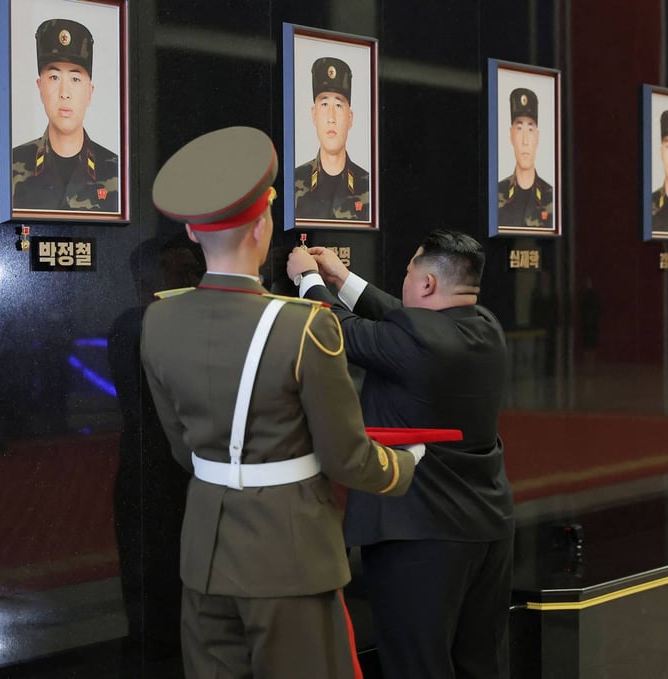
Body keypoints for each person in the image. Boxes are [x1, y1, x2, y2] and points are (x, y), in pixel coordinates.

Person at [141, 126, 421, 679]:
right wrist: (403, 466)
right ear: (263, 226)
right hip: (289, 560)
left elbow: (180, 447)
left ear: (194, 234)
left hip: (204, 556)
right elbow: (346, 457)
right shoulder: (306, 326)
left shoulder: (158, 318)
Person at [287, 230, 515, 679]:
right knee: (478, 664)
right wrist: (344, 278)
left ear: (428, 284)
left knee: (417, 667)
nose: (405, 281)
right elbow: (406, 319)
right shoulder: (484, 325)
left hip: (420, 534)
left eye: (410, 272)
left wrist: (307, 280)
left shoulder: (421, 341)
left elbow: (340, 333)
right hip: (486, 529)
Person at [108, 233, 204, 669]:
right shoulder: (135, 324)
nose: (192, 281)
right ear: (148, 281)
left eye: (194, 272)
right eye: (181, 273)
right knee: (152, 594)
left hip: (189, 478)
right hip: (151, 479)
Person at [12, 18, 119, 212]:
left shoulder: (117, 171)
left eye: (75, 78)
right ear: (40, 87)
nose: (65, 92)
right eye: (54, 77)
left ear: (90, 92)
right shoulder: (11, 167)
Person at [294, 57, 370, 221]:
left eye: (338, 105)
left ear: (350, 118)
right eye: (324, 104)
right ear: (314, 115)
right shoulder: (293, 182)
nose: (331, 117)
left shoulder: (369, 186)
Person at [498, 87, 553, 229]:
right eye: (519, 128)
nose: (525, 140)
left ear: (537, 136)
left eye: (530, 129)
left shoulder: (552, 198)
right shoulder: (495, 194)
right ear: (511, 134)